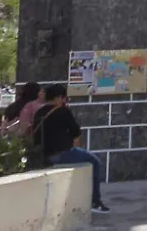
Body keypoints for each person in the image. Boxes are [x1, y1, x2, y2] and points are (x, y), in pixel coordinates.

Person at [32, 83, 108, 212]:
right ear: (58, 98)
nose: (64, 101)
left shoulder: (39, 112)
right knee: (95, 162)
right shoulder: (62, 110)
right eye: (64, 98)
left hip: (44, 154)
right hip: (61, 153)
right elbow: (76, 132)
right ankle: (95, 202)